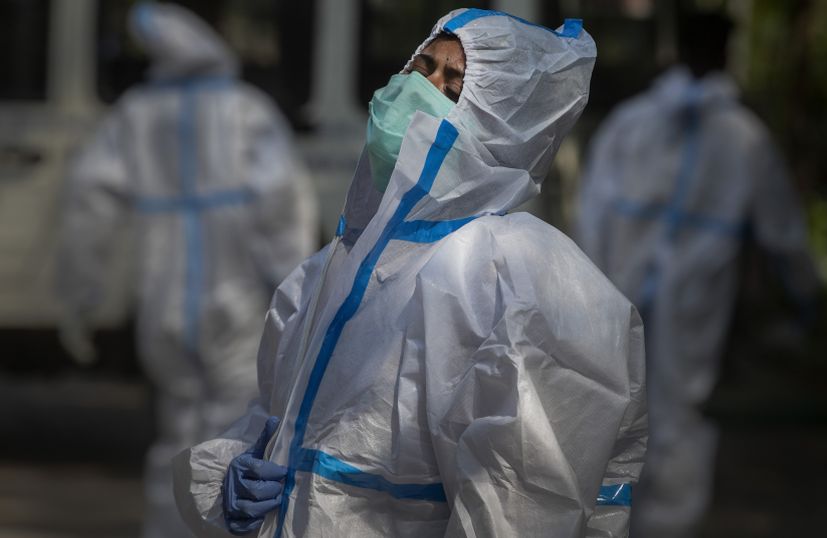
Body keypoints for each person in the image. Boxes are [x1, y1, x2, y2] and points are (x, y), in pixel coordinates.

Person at [174, 8, 647, 538]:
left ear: (499, 126)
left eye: (453, 84)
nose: (421, 89)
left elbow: (524, 503)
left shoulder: (512, 277)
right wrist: (232, 475)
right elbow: (269, 417)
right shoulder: (331, 270)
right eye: (421, 67)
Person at [56, 3, 317, 537]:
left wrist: (81, 295)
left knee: (177, 427)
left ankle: (168, 527)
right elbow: (282, 207)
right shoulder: (246, 109)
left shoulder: (133, 114)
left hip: (164, 296)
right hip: (237, 296)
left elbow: (88, 203)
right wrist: (296, 290)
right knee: (237, 430)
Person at [575, 11, 816, 538]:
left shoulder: (630, 123)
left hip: (618, 290)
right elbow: (784, 231)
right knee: (676, 415)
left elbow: (590, 212)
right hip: (693, 303)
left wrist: (585, 290)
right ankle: (662, 525)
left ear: (676, 51)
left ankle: (608, 522)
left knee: (610, 406)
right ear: (726, 54)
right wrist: (805, 297)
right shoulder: (744, 136)